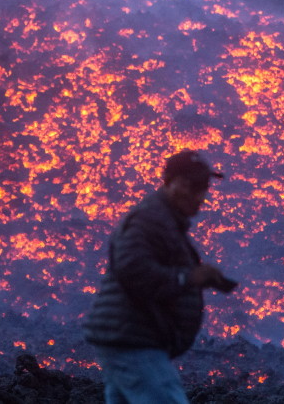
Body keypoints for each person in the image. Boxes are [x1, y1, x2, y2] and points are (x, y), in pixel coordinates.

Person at [83, 149, 237, 403]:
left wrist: (197, 277)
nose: (199, 195)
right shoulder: (149, 220)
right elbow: (133, 271)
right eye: (192, 185)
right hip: (133, 341)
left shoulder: (164, 221)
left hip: (128, 337)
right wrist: (189, 278)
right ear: (171, 182)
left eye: (203, 187)